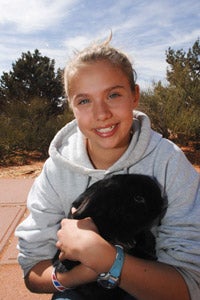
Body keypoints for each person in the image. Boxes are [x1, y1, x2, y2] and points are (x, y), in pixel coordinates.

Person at [15, 35, 200, 300]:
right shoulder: (56, 171)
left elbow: (189, 284)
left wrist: (106, 259)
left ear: (135, 95)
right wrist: (73, 277)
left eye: (113, 94)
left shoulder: (169, 163)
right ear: (72, 107)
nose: (101, 113)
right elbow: (33, 272)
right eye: (84, 101)